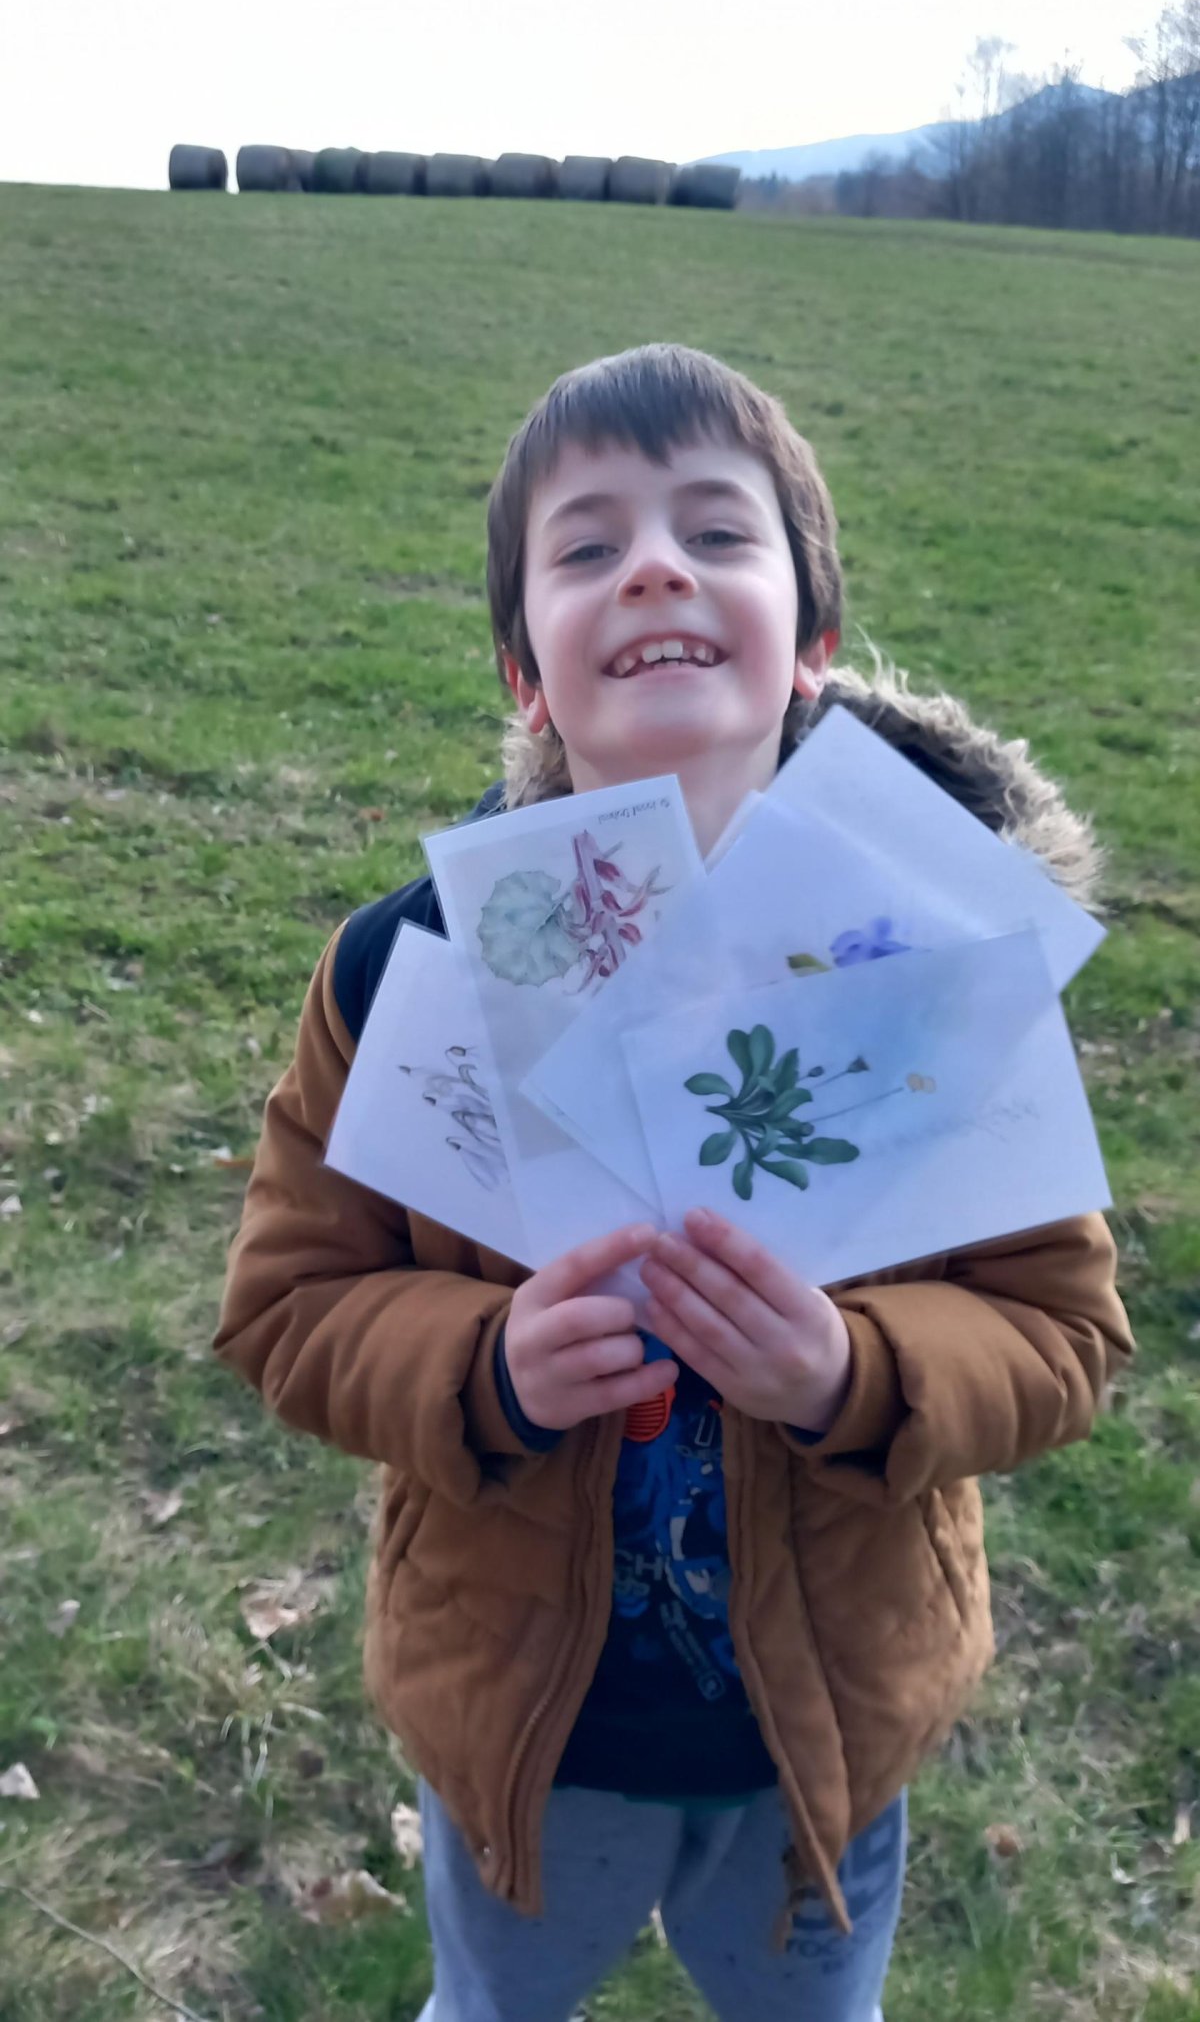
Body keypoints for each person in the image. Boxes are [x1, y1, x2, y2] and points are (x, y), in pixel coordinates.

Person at [215, 343, 1133, 2022]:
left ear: (814, 642)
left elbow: (1062, 1334)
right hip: (527, 1724)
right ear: (526, 672)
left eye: (717, 532)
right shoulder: (408, 972)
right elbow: (289, 1305)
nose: (654, 567)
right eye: (588, 547)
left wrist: (854, 1374)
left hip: (816, 1732)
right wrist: (484, 1364)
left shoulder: (943, 972)